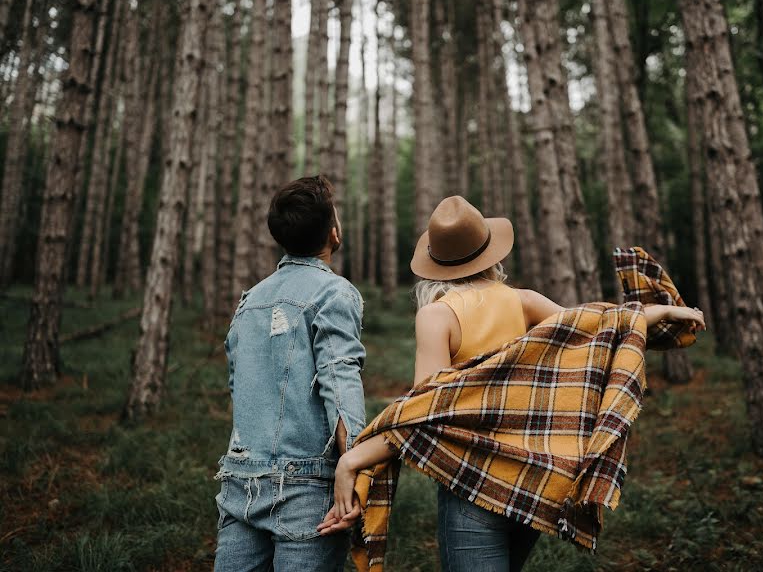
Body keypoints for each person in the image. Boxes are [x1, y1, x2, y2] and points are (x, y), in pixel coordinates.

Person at [318, 196, 705, 571]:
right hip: (529, 485)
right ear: (490, 253)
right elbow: (601, 326)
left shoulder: (437, 316)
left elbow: (426, 412)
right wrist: (662, 310)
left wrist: (352, 459)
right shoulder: (524, 301)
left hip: (469, 484)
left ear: (435, 263)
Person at [213, 176, 366, 572]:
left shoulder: (249, 302)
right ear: (333, 232)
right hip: (305, 491)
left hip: (238, 483)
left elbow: (238, 384)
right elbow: (340, 382)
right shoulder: (334, 293)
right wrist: (356, 471)